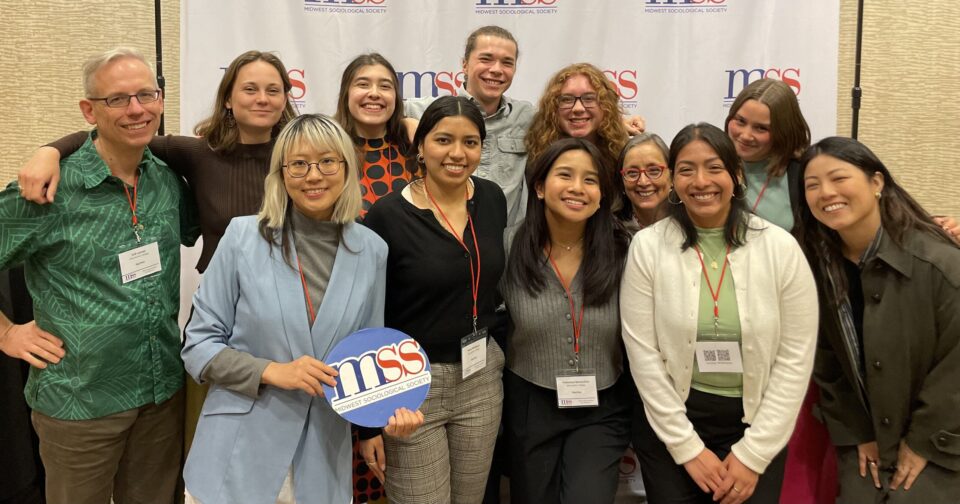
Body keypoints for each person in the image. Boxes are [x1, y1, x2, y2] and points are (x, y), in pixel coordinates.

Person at [17, 49, 300, 457]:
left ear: (286, 98)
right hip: (227, 321)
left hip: (294, 315)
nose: (262, 98)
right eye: (250, 89)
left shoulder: (300, 156)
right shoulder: (199, 155)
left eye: (273, 90)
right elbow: (122, 132)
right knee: (225, 446)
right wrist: (49, 150)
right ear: (228, 99)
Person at [180, 113, 421, 504]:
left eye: (328, 161)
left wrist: (385, 416)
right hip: (238, 450)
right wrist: (272, 371)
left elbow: (368, 357)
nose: (314, 175)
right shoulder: (243, 237)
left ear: (346, 168)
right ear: (281, 173)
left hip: (322, 455)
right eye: (298, 164)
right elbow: (198, 347)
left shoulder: (372, 250)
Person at [0, 47, 198, 504]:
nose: (136, 109)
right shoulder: (47, 189)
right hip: (80, 403)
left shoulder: (167, 180)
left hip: (160, 395)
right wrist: (8, 333)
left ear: (161, 101)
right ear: (89, 110)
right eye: (118, 99)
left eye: (146, 95)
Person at [621, 122, 818, 504]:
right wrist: (687, 448)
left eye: (714, 167)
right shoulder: (647, 247)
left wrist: (754, 454)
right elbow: (643, 354)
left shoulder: (780, 248)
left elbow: (795, 359)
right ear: (673, 181)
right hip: (671, 424)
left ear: (737, 174)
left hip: (756, 426)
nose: (701, 181)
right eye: (686, 169)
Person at [793, 136, 960, 504]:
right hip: (864, 440)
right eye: (812, 185)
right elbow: (824, 357)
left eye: (839, 178)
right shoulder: (815, 266)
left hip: (939, 441)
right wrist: (854, 430)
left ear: (877, 182)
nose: (826, 192)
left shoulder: (938, 262)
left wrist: (922, 442)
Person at [363, 96, 507, 504]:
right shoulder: (387, 216)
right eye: (444, 140)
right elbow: (372, 315)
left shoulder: (492, 199)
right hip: (412, 385)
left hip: (480, 378)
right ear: (420, 146)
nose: (458, 153)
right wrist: (372, 421)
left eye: (471, 142)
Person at [501, 138, 633, 503]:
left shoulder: (625, 250)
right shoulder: (507, 247)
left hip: (601, 405)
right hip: (530, 403)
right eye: (565, 175)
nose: (578, 188)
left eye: (591, 180)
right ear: (540, 187)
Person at [333, 52, 416, 217]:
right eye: (363, 84)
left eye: (385, 86)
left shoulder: (414, 147)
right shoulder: (327, 149)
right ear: (346, 93)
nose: (374, 93)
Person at [617, 132, 671, 227]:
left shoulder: (693, 222)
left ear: (672, 176)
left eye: (654, 171)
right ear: (621, 181)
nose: (643, 182)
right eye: (632, 173)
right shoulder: (610, 231)